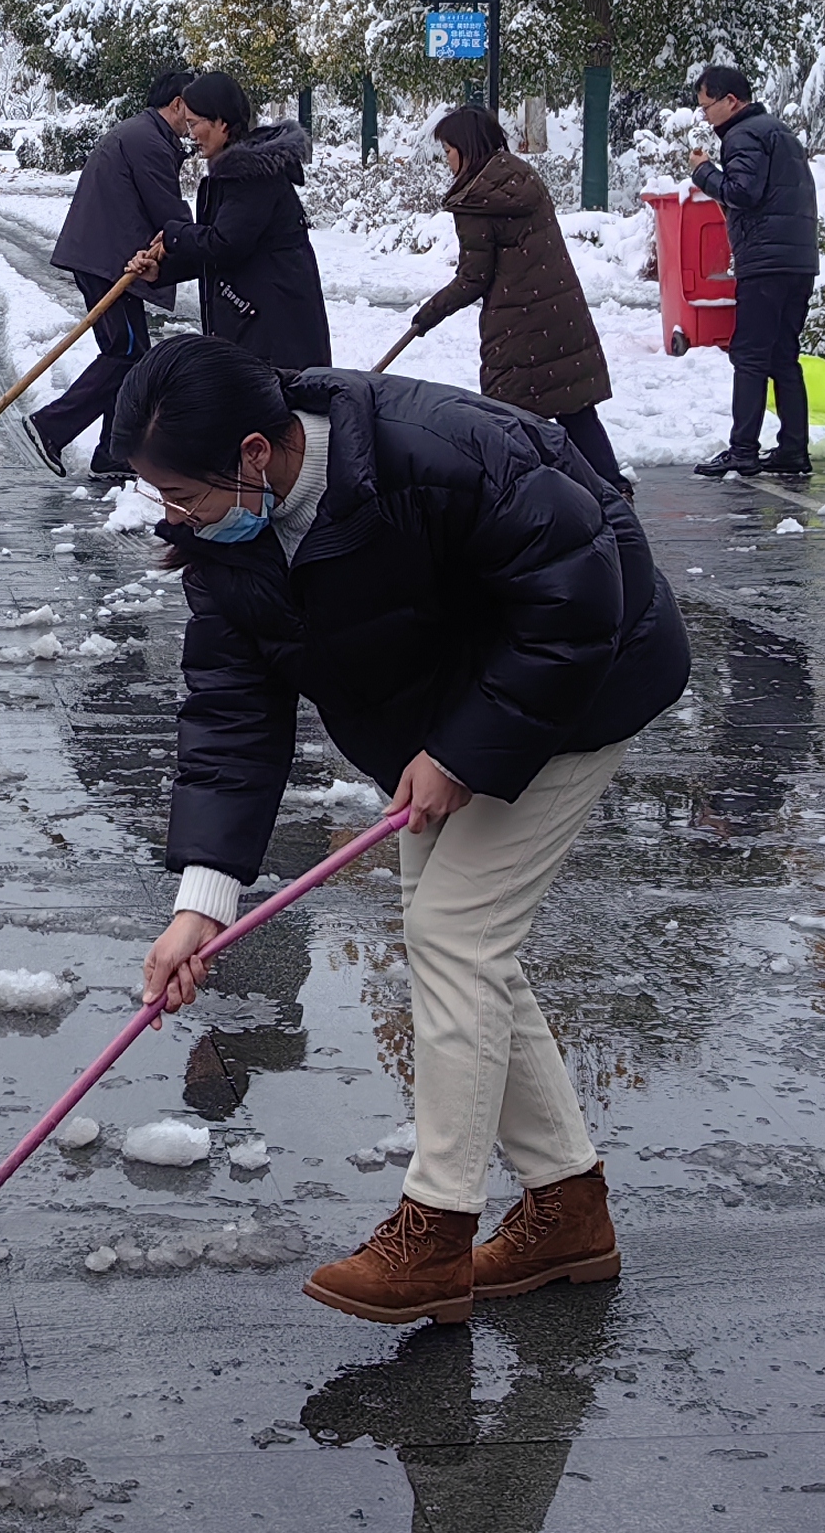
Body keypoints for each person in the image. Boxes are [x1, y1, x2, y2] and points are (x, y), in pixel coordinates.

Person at [122, 332, 687, 1327]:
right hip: (453, 713)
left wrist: (465, 752)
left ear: (256, 453)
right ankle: (566, 1211)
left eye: (187, 496)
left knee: (454, 937)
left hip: (582, 679)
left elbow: (575, 598)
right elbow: (227, 719)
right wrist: (198, 908)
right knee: (457, 945)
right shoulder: (226, 548)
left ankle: (434, 1233)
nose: (177, 521)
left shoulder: (441, 452)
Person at [402, 105, 622, 489]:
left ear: (467, 149)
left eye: (449, 151)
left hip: (519, 331)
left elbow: (473, 278)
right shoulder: (521, 176)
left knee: (511, 420)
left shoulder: (475, 200)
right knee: (576, 411)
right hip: (562, 315)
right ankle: (612, 489)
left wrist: (427, 315)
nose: (447, 161)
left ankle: (530, 498)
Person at [22, 67, 198, 477]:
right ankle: (50, 427)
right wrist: (201, 242)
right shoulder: (149, 142)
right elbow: (169, 213)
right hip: (108, 260)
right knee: (127, 353)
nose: (194, 123)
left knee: (128, 355)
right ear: (175, 104)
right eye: (192, 110)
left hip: (103, 254)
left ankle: (112, 454)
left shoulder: (143, 134)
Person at [685, 62, 818, 477]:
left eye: (707, 107)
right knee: (783, 356)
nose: (705, 116)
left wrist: (703, 172)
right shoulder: (778, 131)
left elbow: (742, 192)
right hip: (797, 260)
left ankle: (743, 450)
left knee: (750, 355)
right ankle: (793, 450)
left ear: (731, 101)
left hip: (765, 261)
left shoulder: (743, 135)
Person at [167, 68, 331, 371]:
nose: (190, 134)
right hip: (253, 331)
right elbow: (221, 252)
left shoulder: (251, 176)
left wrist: (174, 235)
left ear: (222, 123)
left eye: (195, 123)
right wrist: (161, 270)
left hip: (275, 338)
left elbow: (226, 245)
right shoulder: (230, 176)